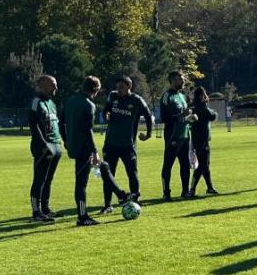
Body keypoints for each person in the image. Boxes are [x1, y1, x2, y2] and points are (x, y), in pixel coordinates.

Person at [61, 76, 131, 226]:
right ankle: (82, 217)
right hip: (84, 148)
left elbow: (61, 121)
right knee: (81, 183)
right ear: (96, 89)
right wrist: (94, 151)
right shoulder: (89, 104)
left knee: (104, 167)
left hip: (74, 145)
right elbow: (87, 130)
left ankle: (121, 196)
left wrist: (65, 139)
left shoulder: (70, 100)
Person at [100, 75, 153, 213]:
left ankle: (135, 200)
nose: (119, 90)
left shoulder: (136, 100)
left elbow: (148, 115)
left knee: (132, 173)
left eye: (122, 87)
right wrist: (106, 115)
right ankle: (107, 205)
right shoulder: (113, 96)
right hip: (110, 144)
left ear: (129, 86)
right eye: (117, 87)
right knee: (108, 174)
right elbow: (105, 110)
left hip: (127, 145)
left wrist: (148, 134)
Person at [28, 75, 62, 223]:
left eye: (55, 85)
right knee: (39, 179)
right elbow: (33, 125)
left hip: (56, 144)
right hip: (43, 147)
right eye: (52, 85)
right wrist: (43, 145)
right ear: (42, 86)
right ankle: (36, 212)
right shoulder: (36, 101)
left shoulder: (52, 103)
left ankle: (46, 209)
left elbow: (55, 124)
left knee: (48, 179)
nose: (55, 88)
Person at [159, 71, 194, 200]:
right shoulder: (167, 96)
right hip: (172, 135)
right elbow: (164, 118)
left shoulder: (182, 96)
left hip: (185, 134)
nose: (183, 81)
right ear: (173, 81)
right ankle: (166, 193)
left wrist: (190, 117)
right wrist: (182, 115)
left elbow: (184, 116)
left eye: (183, 79)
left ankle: (185, 191)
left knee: (185, 164)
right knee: (168, 164)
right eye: (181, 79)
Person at [189, 86, 218, 196]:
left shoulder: (194, 106)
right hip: (202, 140)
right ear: (202, 95)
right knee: (202, 164)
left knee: (205, 164)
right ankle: (192, 189)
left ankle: (210, 188)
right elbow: (213, 116)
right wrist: (208, 106)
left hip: (196, 139)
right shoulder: (202, 107)